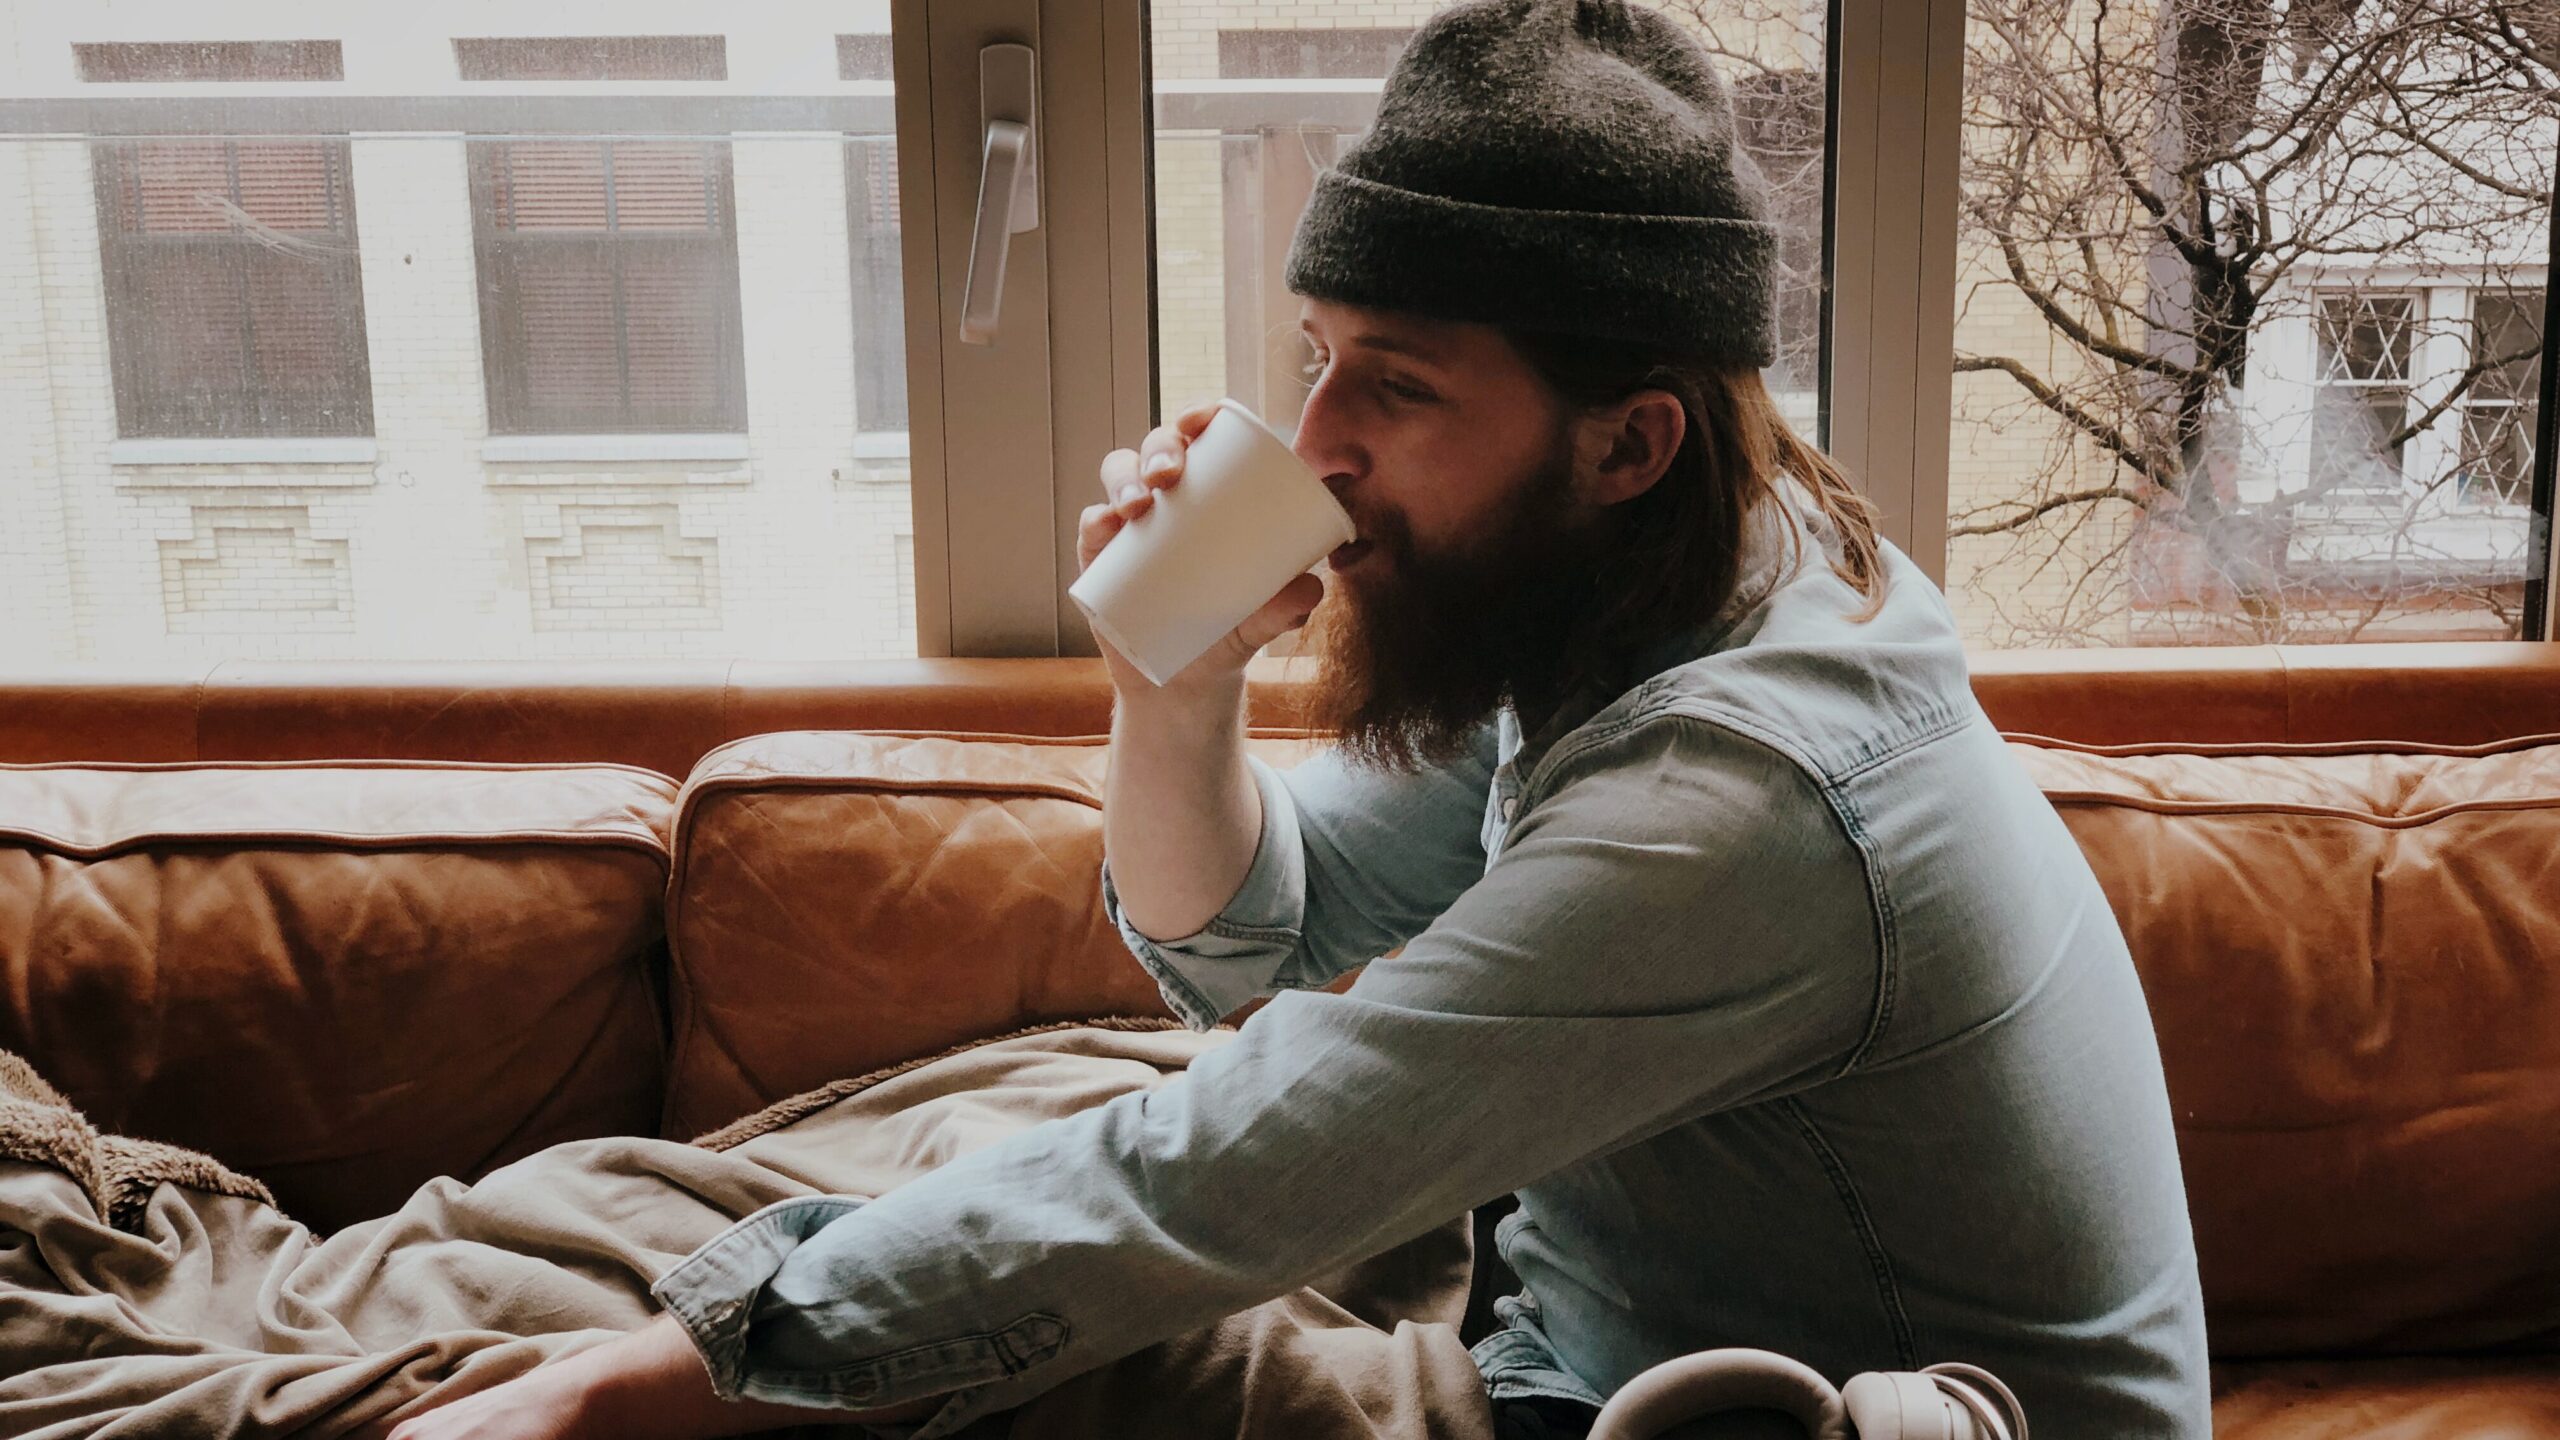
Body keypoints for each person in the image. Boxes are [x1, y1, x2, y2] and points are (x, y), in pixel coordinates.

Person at [388, 2, 2210, 1436]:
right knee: (998, 1135)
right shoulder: (1650, 585)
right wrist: (1171, 687)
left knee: (1004, 1352)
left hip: (1793, 1412)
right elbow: (1259, 937)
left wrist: (640, 1386)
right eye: (1314, 352)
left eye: (1395, 387)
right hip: (1600, 1321)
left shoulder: (1743, 802)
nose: (1319, 438)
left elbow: (1237, 1167)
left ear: (1628, 438)